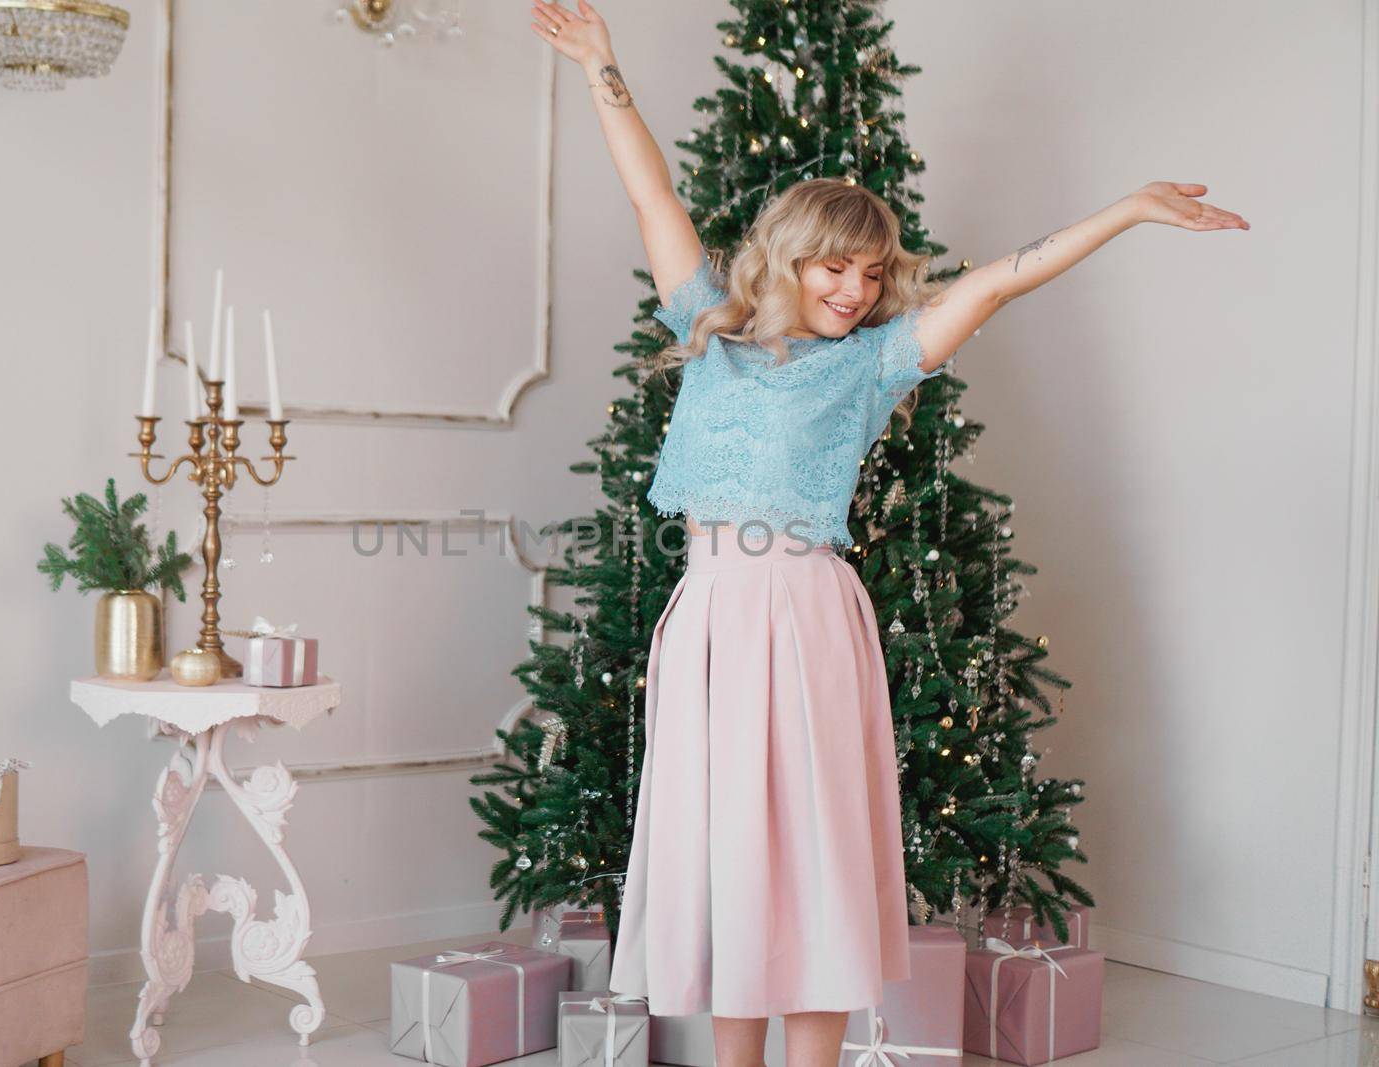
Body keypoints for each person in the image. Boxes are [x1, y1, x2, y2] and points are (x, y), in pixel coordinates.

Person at [529, 4, 1249, 1066]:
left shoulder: (872, 363)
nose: (854, 289)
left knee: (810, 857)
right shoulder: (703, 326)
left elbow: (999, 280)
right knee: (731, 856)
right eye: (834, 268)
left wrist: (1127, 211)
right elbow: (652, 193)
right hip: (709, 617)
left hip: (807, 612)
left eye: (870, 273)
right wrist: (603, 69)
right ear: (785, 258)